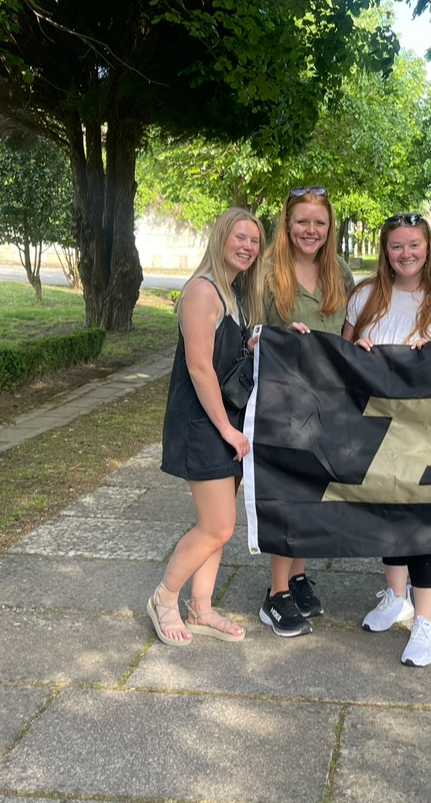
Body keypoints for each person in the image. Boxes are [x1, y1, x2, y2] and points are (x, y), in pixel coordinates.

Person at [342, 212, 431, 667]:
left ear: (428, 247)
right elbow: (341, 356)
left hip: (429, 432)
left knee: (425, 524)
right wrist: (355, 349)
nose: (406, 254)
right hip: (379, 429)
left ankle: (425, 620)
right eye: (397, 246)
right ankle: (395, 597)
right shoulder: (364, 296)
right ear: (386, 250)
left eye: (414, 245)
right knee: (386, 513)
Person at [149, 207, 265, 646]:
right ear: (220, 238)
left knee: (221, 524)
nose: (247, 247)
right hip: (204, 423)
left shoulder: (232, 293)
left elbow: (222, 355)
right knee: (217, 527)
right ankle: (164, 598)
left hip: (226, 423)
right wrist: (227, 430)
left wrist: (250, 343)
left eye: (254, 240)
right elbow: (199, 368)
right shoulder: (202, 290)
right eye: (239, 237)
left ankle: (201, 608)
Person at [258, 186, 355, 638]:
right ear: (287, 224)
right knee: (289, 497)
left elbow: (350, 336)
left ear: (329, 226)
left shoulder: (341, 274)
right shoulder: (267, 274)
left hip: (328, 403)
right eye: (302, 221)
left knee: (316, 493)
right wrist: (274, 335)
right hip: (283, 405)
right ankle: (276, 594)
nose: (310, 230)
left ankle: (296, 576)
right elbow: (248, 333)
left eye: (319, 222)